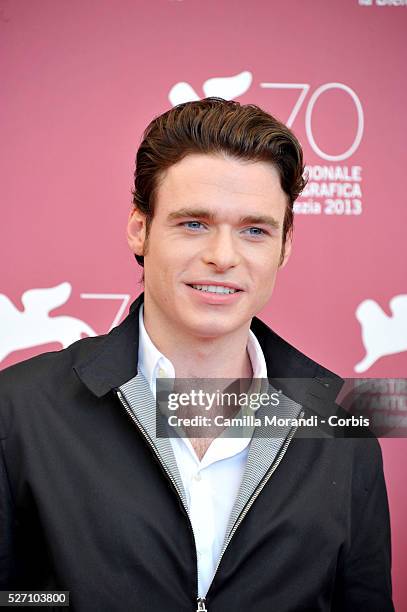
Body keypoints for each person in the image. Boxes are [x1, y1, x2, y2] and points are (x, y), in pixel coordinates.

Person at [0, 98, 393, 611]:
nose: (223, 257)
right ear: (140, 228)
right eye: (194, 224)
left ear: (285, 245)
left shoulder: (341, 420)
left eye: (254, 230)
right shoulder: (20, 409)